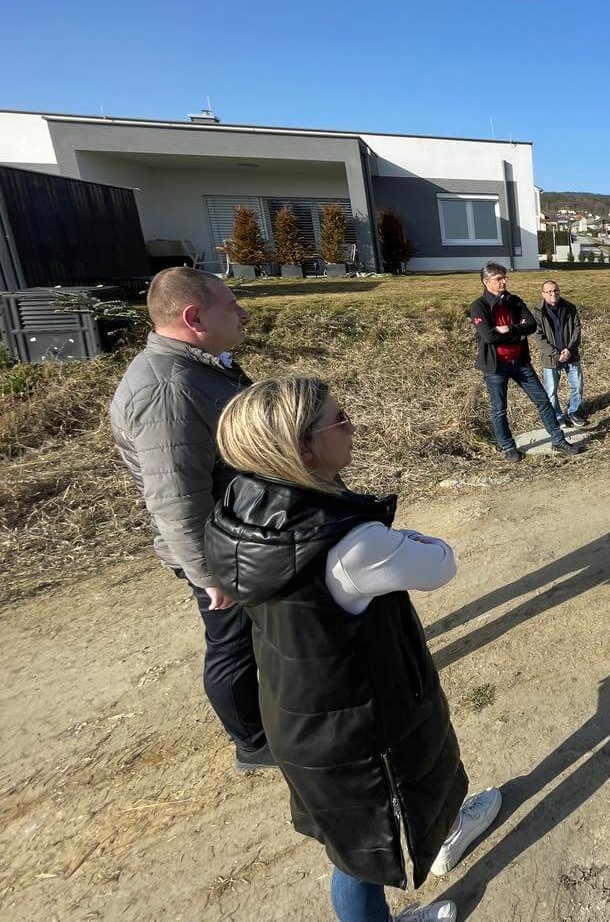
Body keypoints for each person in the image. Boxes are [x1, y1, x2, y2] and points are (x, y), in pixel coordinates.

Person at [205, 377, 504, 922]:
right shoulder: (350, 543)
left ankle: (445, 831)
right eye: (338, 420)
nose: (353, 426)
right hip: (355, 728)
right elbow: (441, 563)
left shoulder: (237, 509)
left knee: (347, 838)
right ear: (303, 451)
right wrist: (401, 536)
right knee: (362, 851)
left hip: (299, 713)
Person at [109, 266, 272, 773]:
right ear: (193, 316)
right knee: (232, 640)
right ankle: (253, 742)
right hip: (222, 548)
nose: (242, 313)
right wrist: (209, 574)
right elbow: (176, 498)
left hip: (244, 532)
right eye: (230, 305)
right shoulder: (168, 388)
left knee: (259, 633)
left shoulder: (199, 366)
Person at [468, 264, 583, 462]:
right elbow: (488, 336)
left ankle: (558, 439)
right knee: (499, 408)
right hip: (496, 366)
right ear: (486, 282)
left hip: (520, 362)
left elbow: (530, 325)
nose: (503, 281)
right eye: (498, 279)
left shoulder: (514, 301)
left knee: (543, 400)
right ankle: (508, 447)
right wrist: (516, 333)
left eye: (504, 277)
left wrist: (507, 328)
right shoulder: (479, 306)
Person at [535, 279, 589, 428]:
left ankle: (573, 412)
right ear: (543, 294)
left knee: (577, 386)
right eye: (549, 291)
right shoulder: (537, 312)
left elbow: (577, 328)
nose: (553, 293)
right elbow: (538, 337)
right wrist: (556, 353)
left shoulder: (569, 307)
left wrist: (570, 349)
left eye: (556, 290)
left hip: (571, 355)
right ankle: (557, 416)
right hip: (551, 358)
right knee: (551, 391)